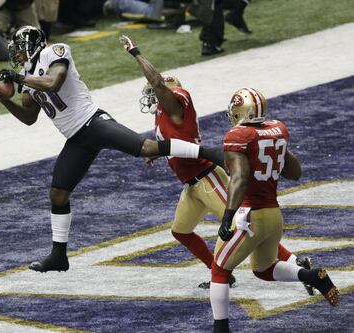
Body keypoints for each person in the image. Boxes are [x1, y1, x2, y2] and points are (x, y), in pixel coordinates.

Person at [0, 25, 221, 273]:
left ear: (32, 46)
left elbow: (54, 82)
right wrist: (3, 99)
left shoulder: (53, 52)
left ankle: (209, 153)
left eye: (20, 49)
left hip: (92, 122)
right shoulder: (27, 77)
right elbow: (29, 117)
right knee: (58, 193)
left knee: (147, 148)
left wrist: (20, 79)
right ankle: (58, 255)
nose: (17, 55)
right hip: (76, 138)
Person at [119, 35, 314, 294]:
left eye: (156, 93)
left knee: (245, 226)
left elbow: (157, 83)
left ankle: (296, 263)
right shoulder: (168, 113)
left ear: (169, 93)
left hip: (208, 179)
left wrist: (135, 52)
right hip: (192, 185)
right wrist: (158, 154)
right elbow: (175, 142)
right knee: (181, 231)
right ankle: (220, 273)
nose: (152, 97)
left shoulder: (177, 103)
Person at [210, 88, 340, 332]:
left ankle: (220, 327)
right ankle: (310, 276)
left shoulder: (238, 135)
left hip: (250, 216)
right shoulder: (277, 130)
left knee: (219, 268)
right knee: (264, 269)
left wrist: (227, 216)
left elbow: (240, 178)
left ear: (241, 111)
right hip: (273, 215)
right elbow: (294, 172)